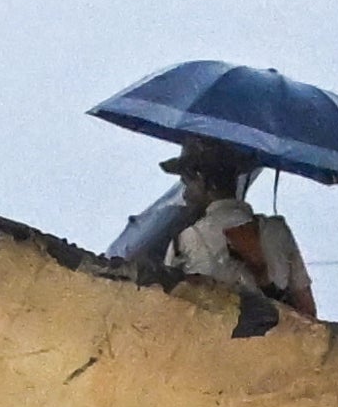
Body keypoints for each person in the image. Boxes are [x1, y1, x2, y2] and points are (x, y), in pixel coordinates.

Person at [108, 140, 321, 334]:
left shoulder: (184, 241)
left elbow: (168, 315)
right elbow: (307, 313)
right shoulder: (278, 230)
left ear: (202, 180)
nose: (184, 194)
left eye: (187, 183)